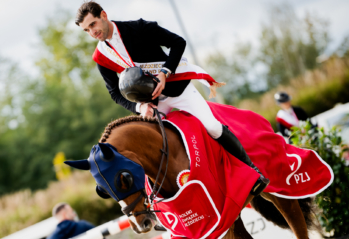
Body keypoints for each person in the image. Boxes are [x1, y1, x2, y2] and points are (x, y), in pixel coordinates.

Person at [75, 1, 269, 197]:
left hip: (177, 89)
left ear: (104, 15)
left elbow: (178, 43)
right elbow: (114, 93)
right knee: (149, 149)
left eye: (93, 25)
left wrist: (164, 72)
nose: (92, 32)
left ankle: (253, 173)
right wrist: (139, 107)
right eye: (86, 30)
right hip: (152, 103)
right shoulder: (101, 57)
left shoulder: (140, 27)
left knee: (212, 127)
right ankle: (158, 205)